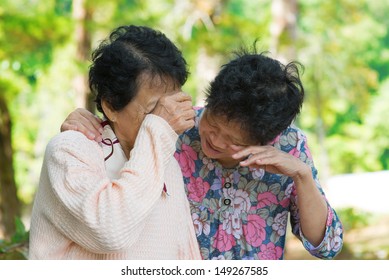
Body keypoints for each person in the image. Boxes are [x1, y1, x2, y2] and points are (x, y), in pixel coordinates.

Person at [61, 46, 344, 260]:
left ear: (269, 139)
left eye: (232, 139)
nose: (214, 140)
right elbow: (122, 126)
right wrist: (82, 121)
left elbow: (327, 246)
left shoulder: (290, 147)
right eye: (211, 122)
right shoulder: (177, 127)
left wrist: (302, 176)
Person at [28, 25, 202, 260]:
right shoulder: (69, 150)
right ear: (110, 106)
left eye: (171, 105)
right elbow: (111, 232)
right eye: (155, 110)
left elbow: (184, 250)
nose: (168, 118)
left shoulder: (165, 159)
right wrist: (158, 130)